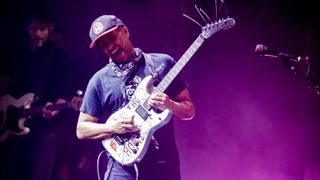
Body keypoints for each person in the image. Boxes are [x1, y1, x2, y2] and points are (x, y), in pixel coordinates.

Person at [76, 14, 195, 180]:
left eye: (111, 38)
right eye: (103, 45)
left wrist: (170, 104)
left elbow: (189, 111)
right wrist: (112, 127)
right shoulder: (99, 80)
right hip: (121, 167)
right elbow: (81, 130)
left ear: (125, 31)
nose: (109, 46)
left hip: (164, 164)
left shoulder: (162, 63)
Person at [0, 11, 75, 180]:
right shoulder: (17, 52)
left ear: (50, 29)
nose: (38, 34)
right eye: (34, 29)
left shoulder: (59, 58)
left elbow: (65, 91)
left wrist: (56, 108)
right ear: (27, 28)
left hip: (41, 129)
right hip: (8, 127)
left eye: (43, 29)